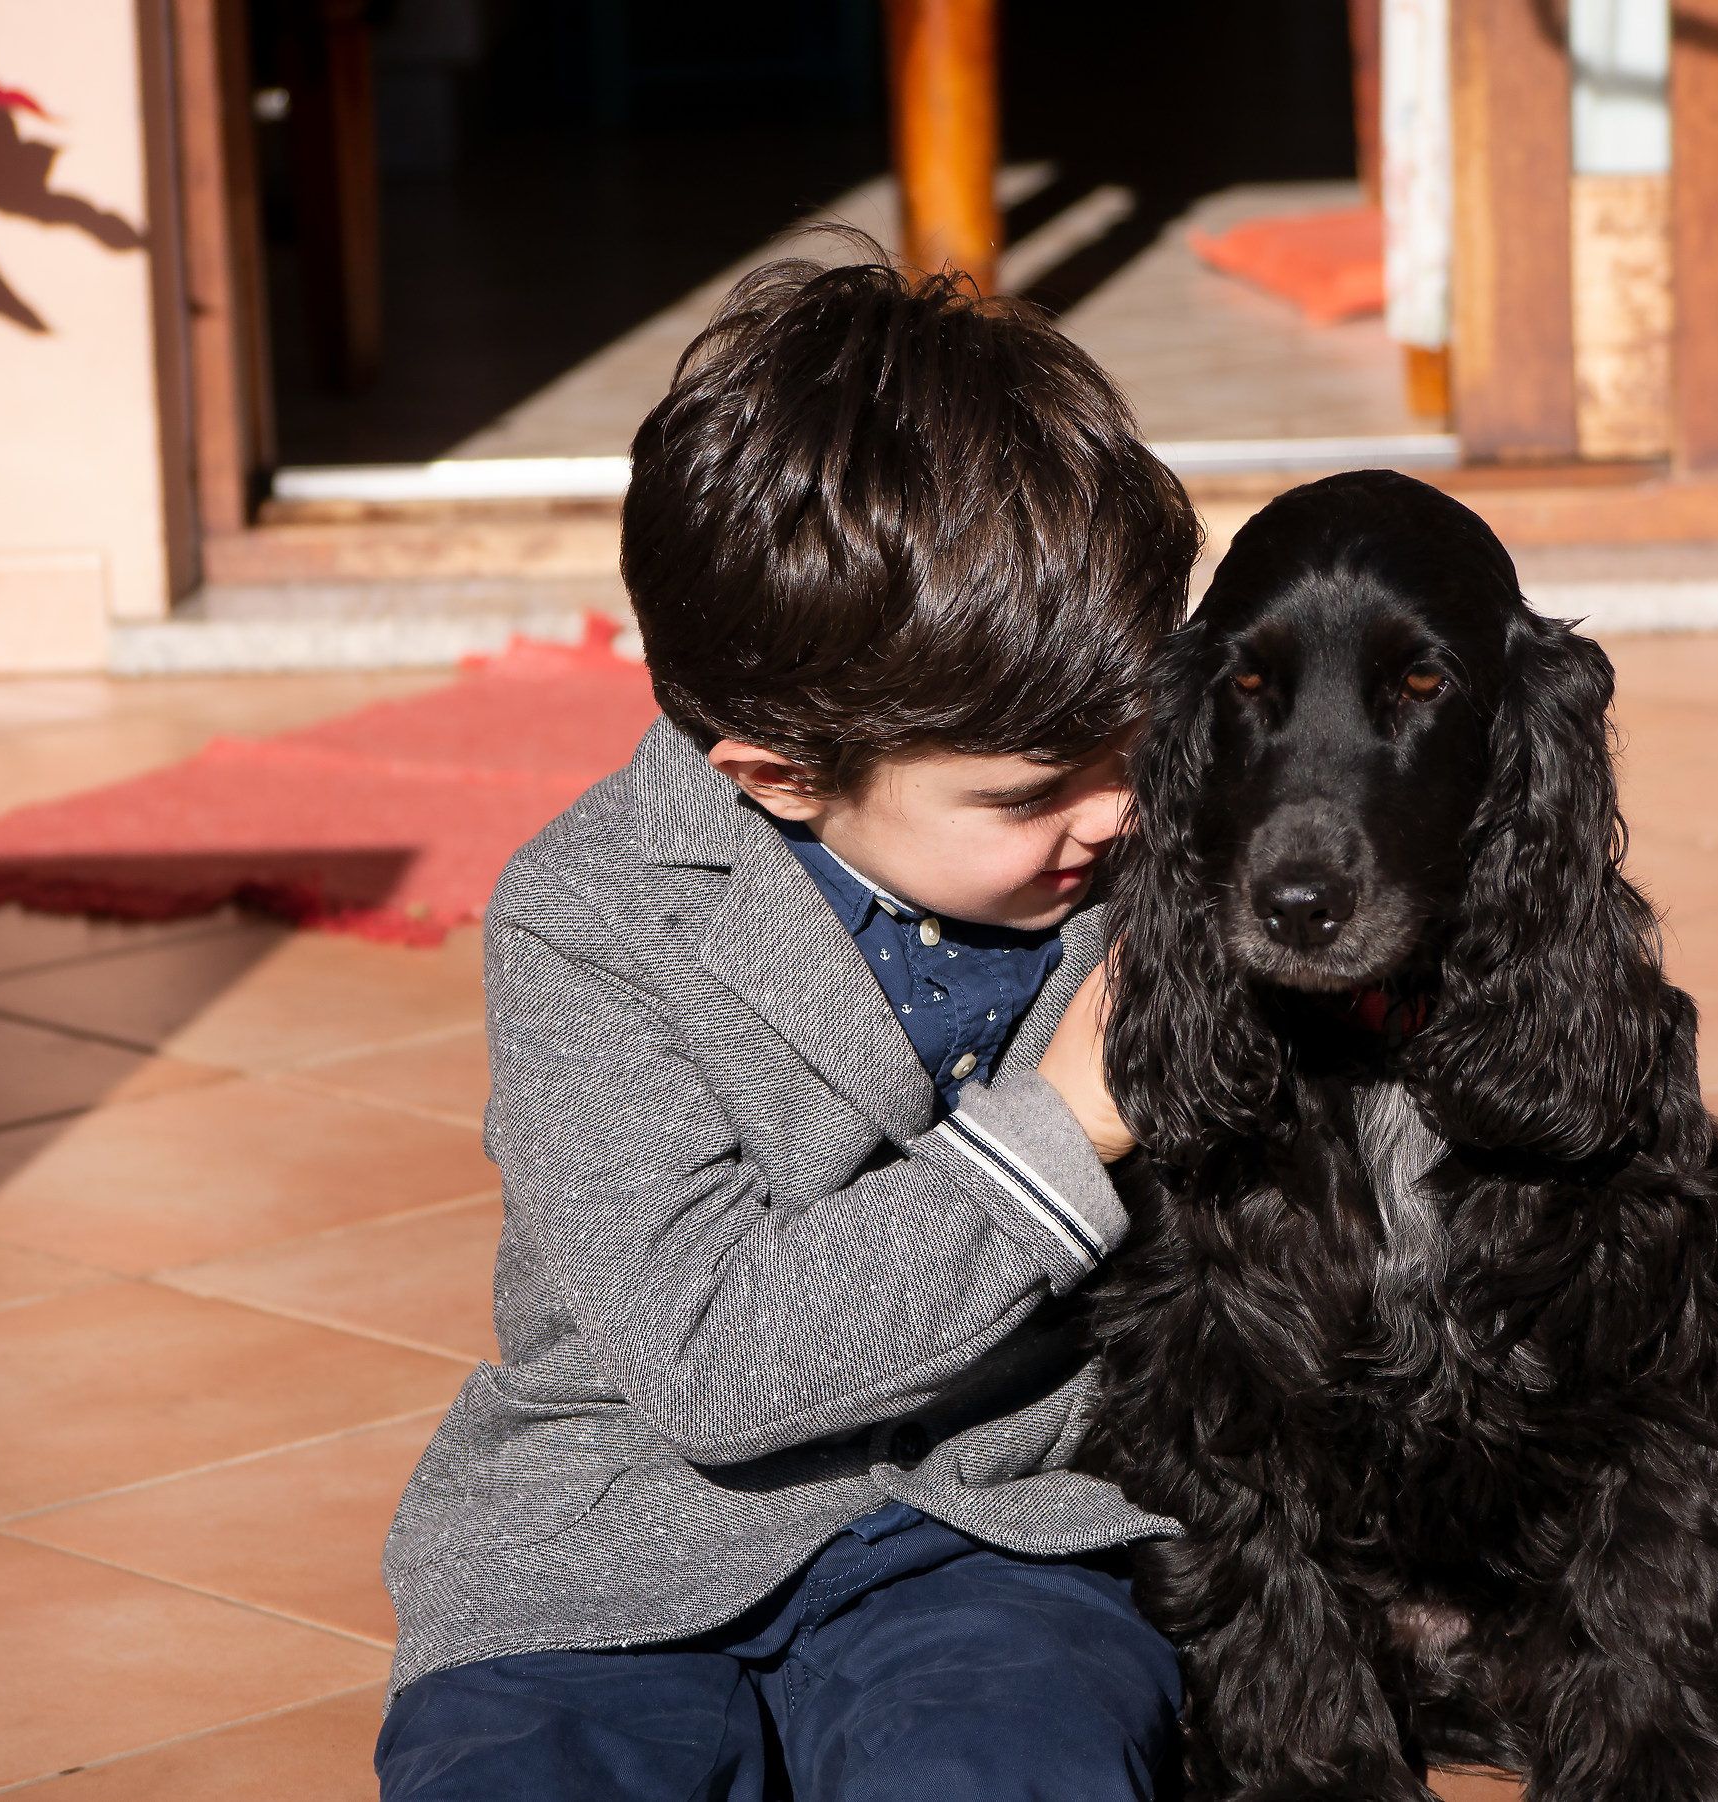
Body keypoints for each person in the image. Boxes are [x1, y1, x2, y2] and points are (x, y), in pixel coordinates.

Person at [375, 246, 1205, 1802]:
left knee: (1009, 1765)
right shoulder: (593, 914)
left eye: (1135, 738)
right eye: (1034, 790)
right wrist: (1068, 1122)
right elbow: (709, 1364)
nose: (1122, 806)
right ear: (777, 774)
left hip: (995, 1523)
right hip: (610, 1542)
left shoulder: (1147, 867)